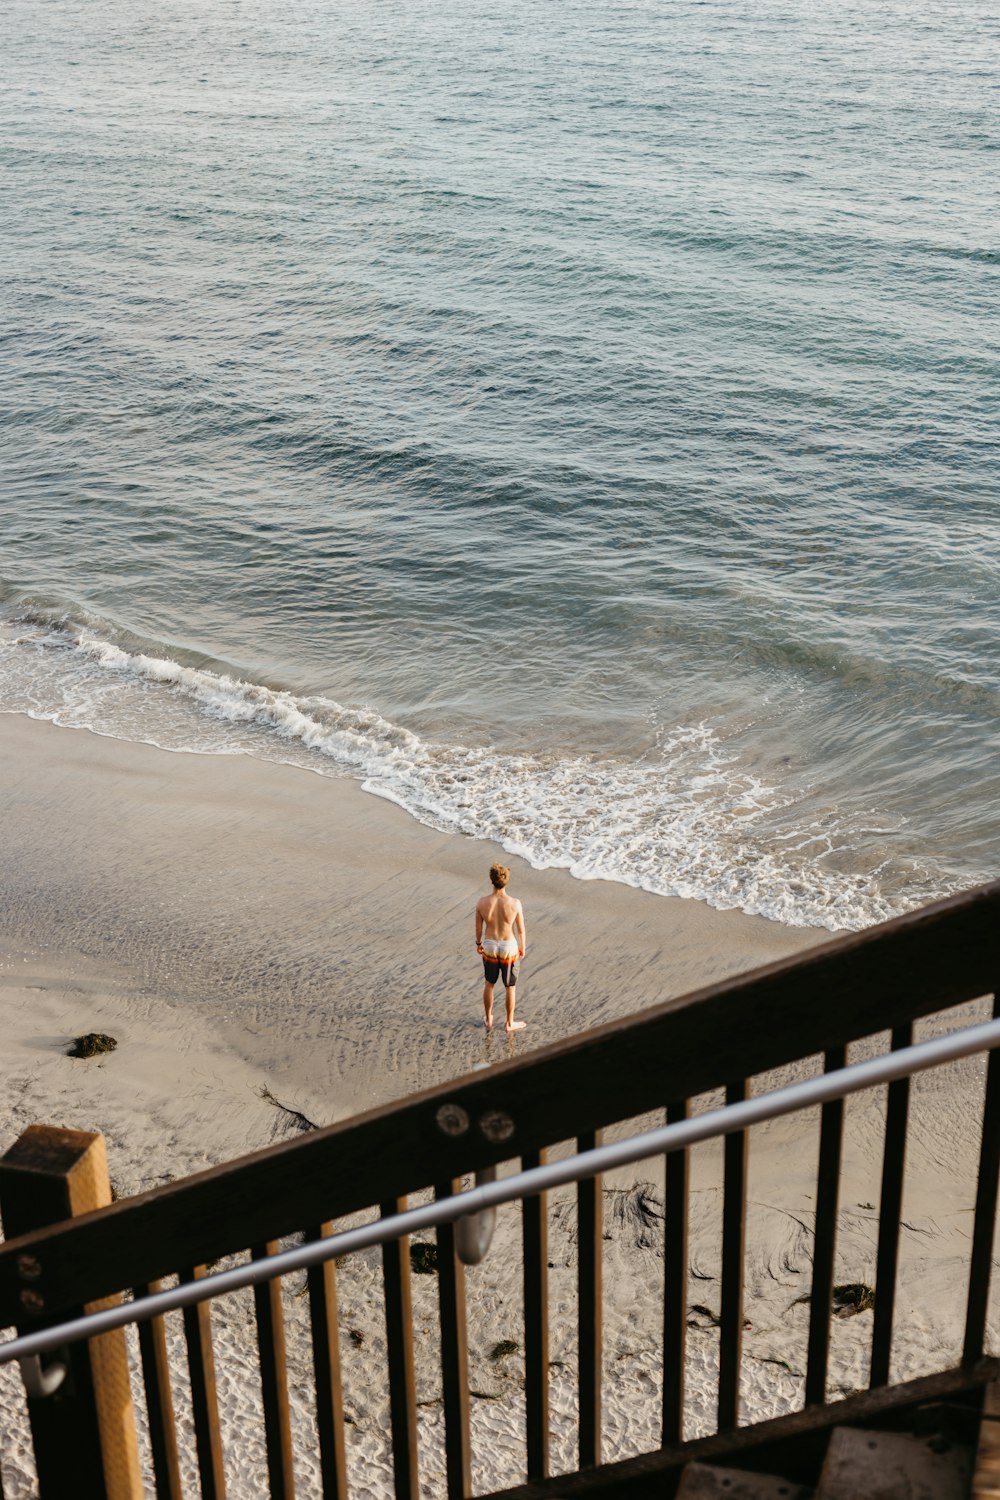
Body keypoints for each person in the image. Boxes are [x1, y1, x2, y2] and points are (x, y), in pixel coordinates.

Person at [475, 863, 526, 1032]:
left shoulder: (482, 902)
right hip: (508, 945)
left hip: (489, 944)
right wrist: (523, 947)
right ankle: (509, 1023)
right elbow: (520, 929)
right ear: (506, 881)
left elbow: (478, 929)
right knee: (510, 986)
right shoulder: (515, 903)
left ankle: (489, 1018)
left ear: (492, 880)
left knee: (489, 984)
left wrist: (478, 943)